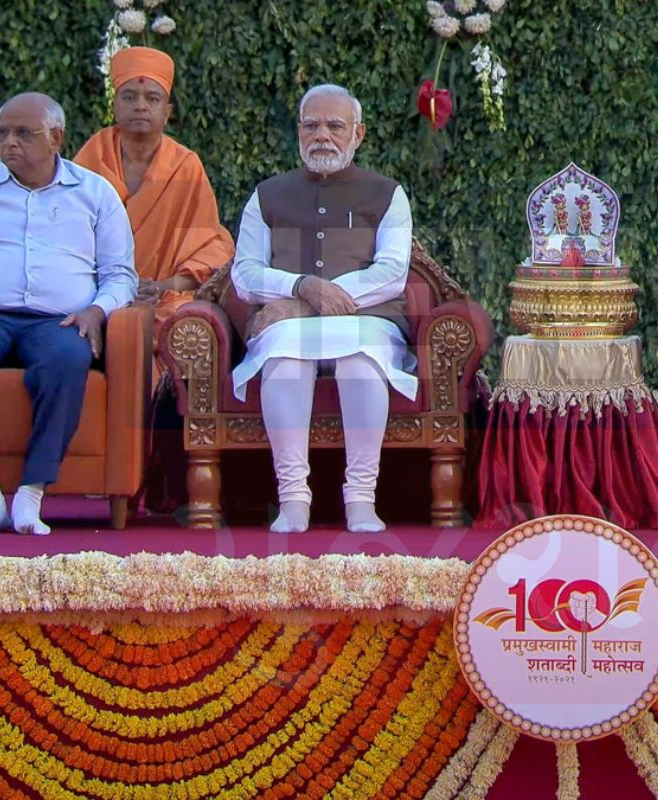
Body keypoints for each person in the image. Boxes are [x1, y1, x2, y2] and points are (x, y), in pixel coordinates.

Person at [230, 84, 417, 534]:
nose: (323, 136)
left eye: (335, 126)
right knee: (286, 358)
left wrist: (306, 301)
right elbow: (244, 273)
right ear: (298, 131)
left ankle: (361, 498)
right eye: (312, 125)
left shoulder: (387, 193)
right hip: (285, 325)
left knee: (359, 360)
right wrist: (301, 286)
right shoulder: (267, 195)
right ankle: (293, 498)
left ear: (358, 134)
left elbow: (392, 273)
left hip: (367, 320)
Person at [0, 93, 137, 534]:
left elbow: (120, 274)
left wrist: (97, 310)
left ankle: (31, 493)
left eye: (23, 133)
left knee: (69, 359)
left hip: (60, 320)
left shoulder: (94, 193)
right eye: (2, 133)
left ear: (56, 138)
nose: (9, 143)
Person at [75, 47, 233, 353]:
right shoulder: (91, 159)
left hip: (161, 296)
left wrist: (160, 287)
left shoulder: (184, 166)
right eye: (129, 96)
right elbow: (66, 241)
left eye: (152, 98)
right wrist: (109, 291)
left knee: (177, 322)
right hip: (95, 293)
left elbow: (207, 250)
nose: (140, 106)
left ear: (167, 111)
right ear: (115, 105)